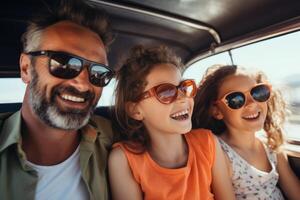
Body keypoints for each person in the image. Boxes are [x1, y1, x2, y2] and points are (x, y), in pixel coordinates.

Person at [0, 0, 115, 199]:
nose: (82, 84)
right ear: (26, 68)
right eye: (64, 63)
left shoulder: (115, 141)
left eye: (98, 72)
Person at [108, 45, 235, 200]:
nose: (183, 97)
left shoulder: (208, 143)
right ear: (136, 110)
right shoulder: (124, 160)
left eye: (184, 87)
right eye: (166, 92)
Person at [192, 64, 300, 200]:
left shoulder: (270, 142)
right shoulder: (220, 153)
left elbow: (294, 191)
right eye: (236, 99)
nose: (251, 103)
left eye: (258, 93)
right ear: (217, 111)